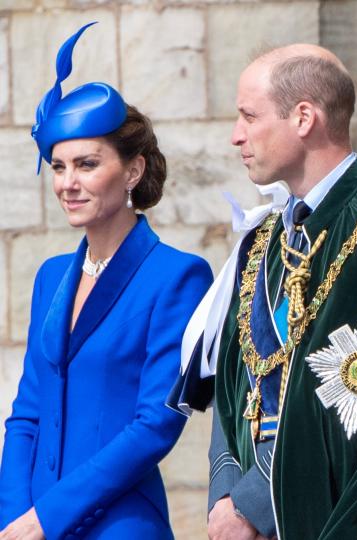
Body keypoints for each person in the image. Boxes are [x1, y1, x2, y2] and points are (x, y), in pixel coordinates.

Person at [167, 44, 357, 539]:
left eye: (249, 116)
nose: (236, 136)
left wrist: (251, 505)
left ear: (303, 118)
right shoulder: (265, 240)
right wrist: (225, 497)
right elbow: (236, 386)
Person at [0, 23, 212, 540]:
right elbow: (27, 412)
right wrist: (11, 519)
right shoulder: (52, 277)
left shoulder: (177, 275)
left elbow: (155, 425)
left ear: (133, 171)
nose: (68, 183)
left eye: (87, 165)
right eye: (59, 166)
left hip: (120, 524)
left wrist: (46, 519)